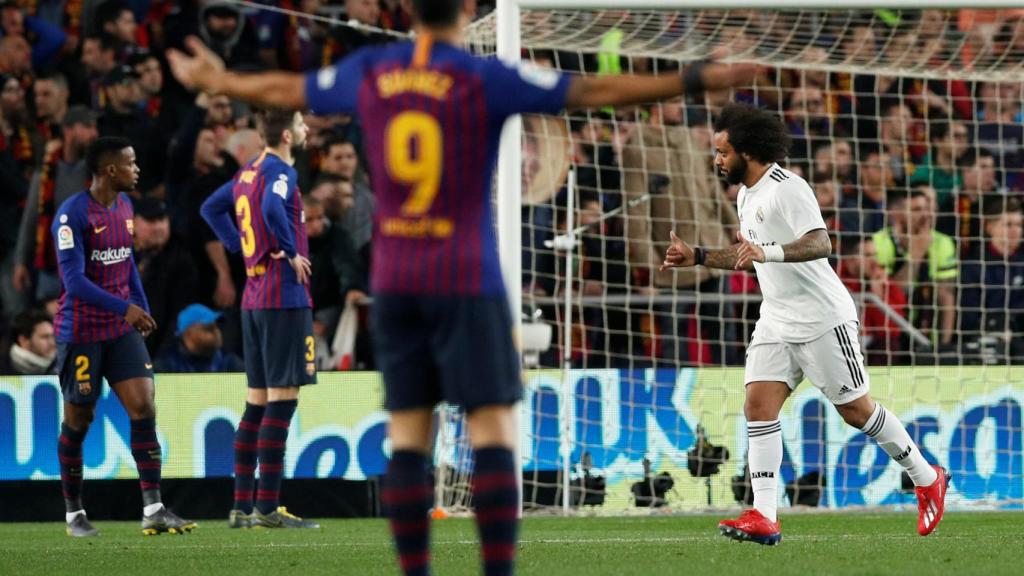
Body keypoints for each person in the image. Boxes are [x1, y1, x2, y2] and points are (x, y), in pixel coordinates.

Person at [169, 1, 754, 572]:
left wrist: (217, 78)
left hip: (396, 281)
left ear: (408, 10)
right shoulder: (483, 76)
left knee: (408, 437)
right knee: (492, 428)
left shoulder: (370, 70)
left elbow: (285, 91)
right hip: (465, 279)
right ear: (467, 8)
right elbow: (592, 92)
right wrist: (695, 77)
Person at [661, 103, 948, 545]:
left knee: (856, 411)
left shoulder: (786, 188)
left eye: (722, 152)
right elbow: (748, 256)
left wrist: (768, 252)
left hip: (821, 319)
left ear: (748, 152)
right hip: (777, 317)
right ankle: (765, 514)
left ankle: (926, 477)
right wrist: (698, 256)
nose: (716, 160)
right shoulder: (746, 194)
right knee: (758, 405)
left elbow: (820, 243)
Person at [51, 136, 194, 537]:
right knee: (80, 417)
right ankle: (74, 513)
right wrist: (124, 307)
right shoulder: (72, 216)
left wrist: (139, 307)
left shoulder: (126, 207)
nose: (137, 170)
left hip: (119, 329)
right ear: (111, 170)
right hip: (81, 331)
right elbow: (74, 281)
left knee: (143, 405)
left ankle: (154, 508)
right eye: (131, 164)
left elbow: (127, 262)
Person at [200, 109, 319, 530]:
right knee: (283, 402)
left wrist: (239, 247)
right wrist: (288, 250)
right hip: (283, 296)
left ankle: (239, 506)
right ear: (287, 134)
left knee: (257, 403)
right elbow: (271, 207)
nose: (307, 130)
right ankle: (267, 507)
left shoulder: (248, 172)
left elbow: (210, 209)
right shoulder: (280, 172)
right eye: (302, 125)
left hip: (254, 296)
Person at [155, 303, 243, 373]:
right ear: (188, 333)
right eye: (209, 328)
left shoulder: (230, 364)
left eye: (217, 327)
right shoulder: (166, 367)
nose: (217, 332)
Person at [1, 309, 57, 375]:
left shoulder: (62, 369)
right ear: (23, 340)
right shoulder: (3, 369)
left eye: (53, 336)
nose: (52, 343)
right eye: (44, 337)